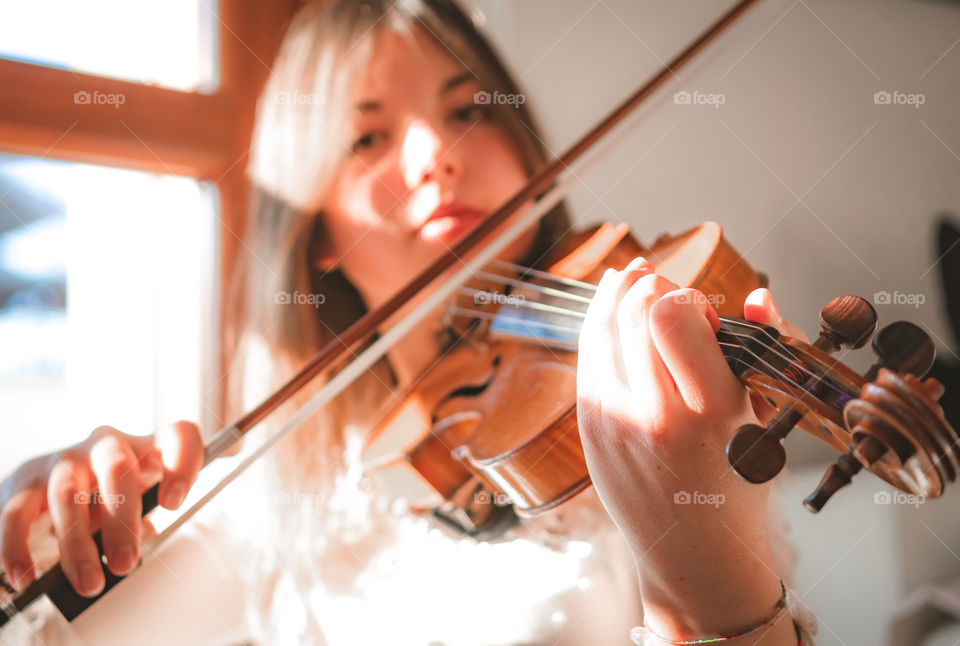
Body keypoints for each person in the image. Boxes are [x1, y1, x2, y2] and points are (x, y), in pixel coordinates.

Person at [0, 1, 818, 644]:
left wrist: (714, 583)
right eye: (366, 136)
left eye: (467, 109)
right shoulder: (286, 499)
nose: (436, 153)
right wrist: (38, 534)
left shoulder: (662, 401)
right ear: (314, 231)